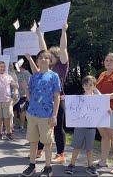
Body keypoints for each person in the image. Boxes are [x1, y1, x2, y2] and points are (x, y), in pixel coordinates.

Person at [25, 23, 69, 164]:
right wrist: (39, 34)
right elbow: (42, 49)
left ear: (55, 55)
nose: (45, 55)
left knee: (57, 127)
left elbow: (63, 48)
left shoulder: (62, 64)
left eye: (49, 54)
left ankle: (61, 153)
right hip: (41, 102)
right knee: (40, 125)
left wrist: (63, 31)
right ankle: (39, 149)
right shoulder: (45, 66)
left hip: (57, 99)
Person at [21, 50, 61, 177]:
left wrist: (54, 115)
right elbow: (30, 97)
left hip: (46, 116)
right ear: (37, 61)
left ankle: (48, 167)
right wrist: (25, 89)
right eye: (41, 58)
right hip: (32, 114)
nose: (43, 59)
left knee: (47, 143)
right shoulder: (34, 76)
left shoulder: (54, 76)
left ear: (50, 61)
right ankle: (32, 166)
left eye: (46, 58)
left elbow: (57, 96)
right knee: (33, 142)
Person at [64, 75, 108, 176]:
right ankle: (71, 165)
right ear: (83, 86)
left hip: (91, 128)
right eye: (86, 84)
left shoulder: (98, 99)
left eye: (90, 85)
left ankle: (90, 166)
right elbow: (72, 108)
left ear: (94, 86)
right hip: (79, 126)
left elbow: (103, 108)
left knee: (89, 149)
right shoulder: (78, 98)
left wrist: (107, 110)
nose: (88, 86)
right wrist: (65, 100)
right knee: (76, 147)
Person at [13, 63, 31, 132]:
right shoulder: (15, 72)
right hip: (15, 95)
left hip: (23, 95)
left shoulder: (26, 73)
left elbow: (30, 84)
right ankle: (14, 123)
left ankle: (22, 125)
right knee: (14, 109)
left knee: (22, 111)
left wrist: (28, 93)